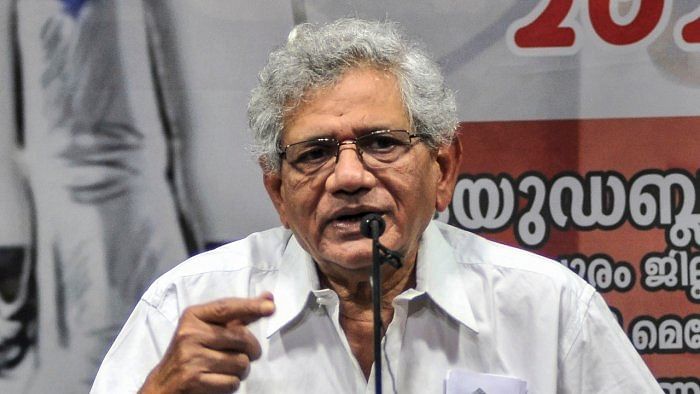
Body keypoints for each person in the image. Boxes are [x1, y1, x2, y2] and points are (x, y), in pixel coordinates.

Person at [91, 18, 661, 393]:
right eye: (314, 153)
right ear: (278, 195)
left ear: (444, 170)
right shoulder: (187, 306)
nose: (348, 176)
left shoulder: (549, 310)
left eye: (381, 144)